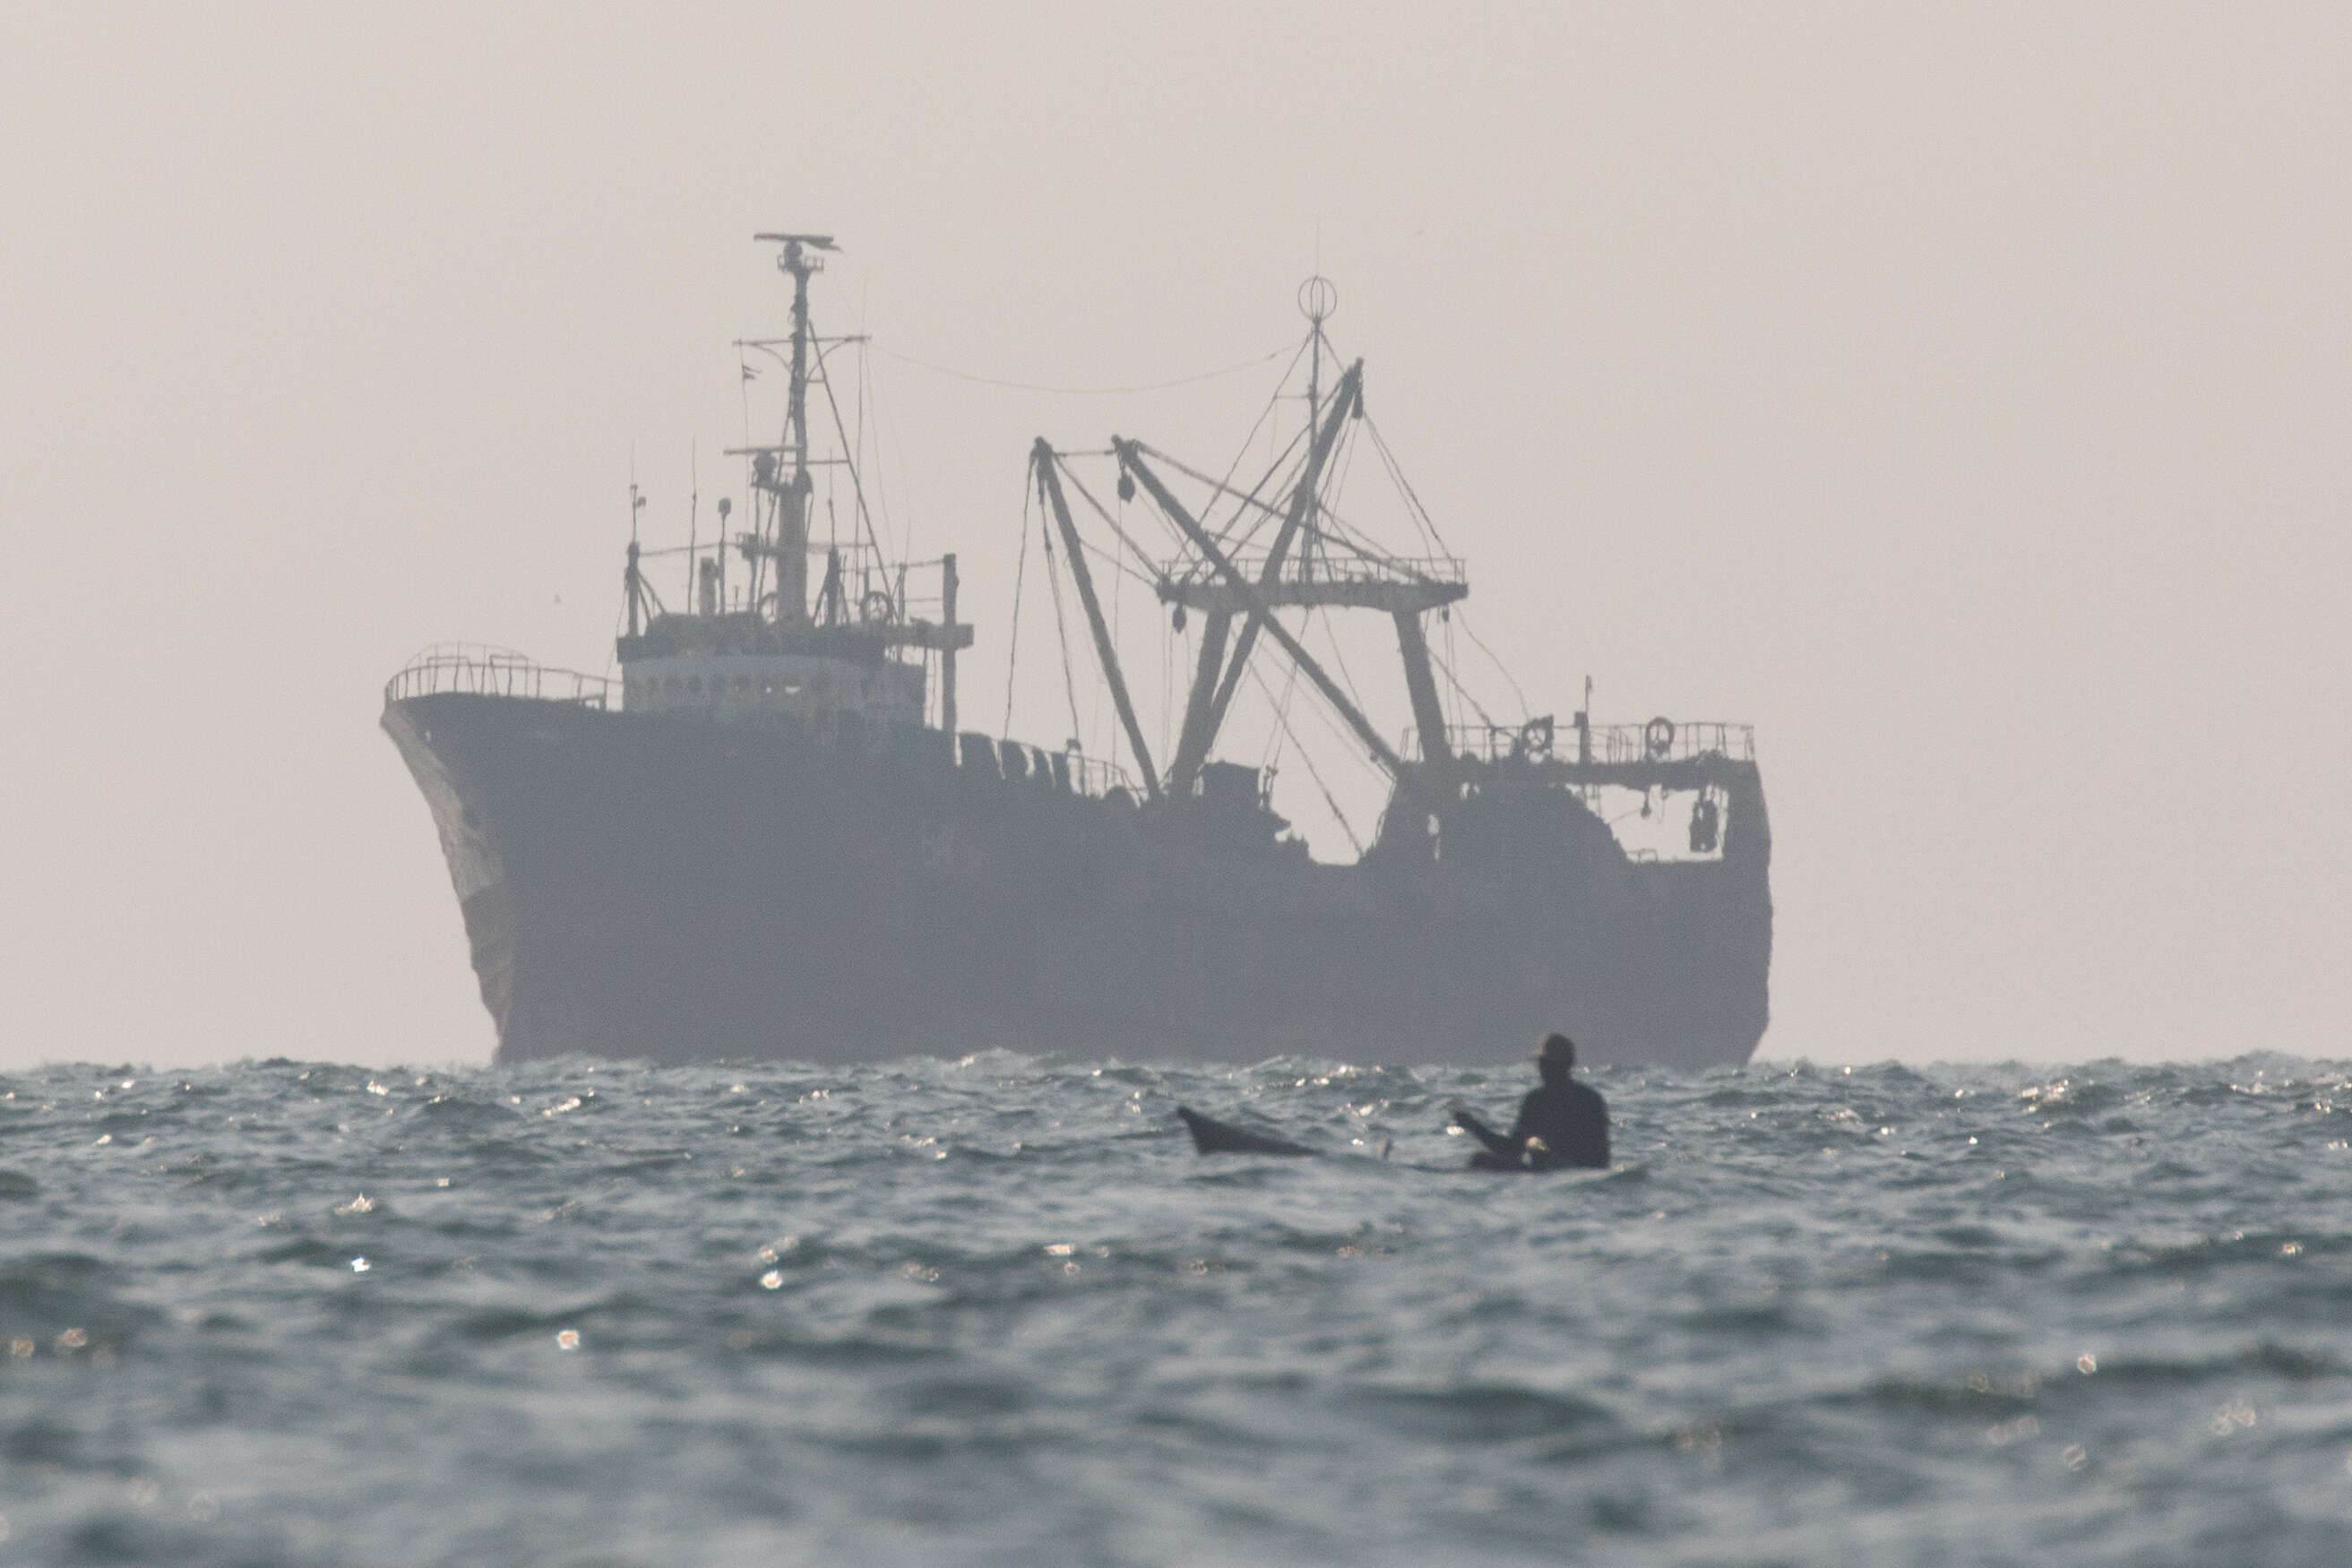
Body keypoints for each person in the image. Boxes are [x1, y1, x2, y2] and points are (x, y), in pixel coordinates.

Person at [1452, 1033, 1610, 1171]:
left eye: (1546, 1064)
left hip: (1550, 1174)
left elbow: (1512, 1151)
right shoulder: (1591, 1099)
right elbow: (1602, 1159)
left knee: (1480, 1161)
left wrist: (1474, 1127)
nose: (1543, 1068)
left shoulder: (1538, 1100)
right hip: (1569, 1172)